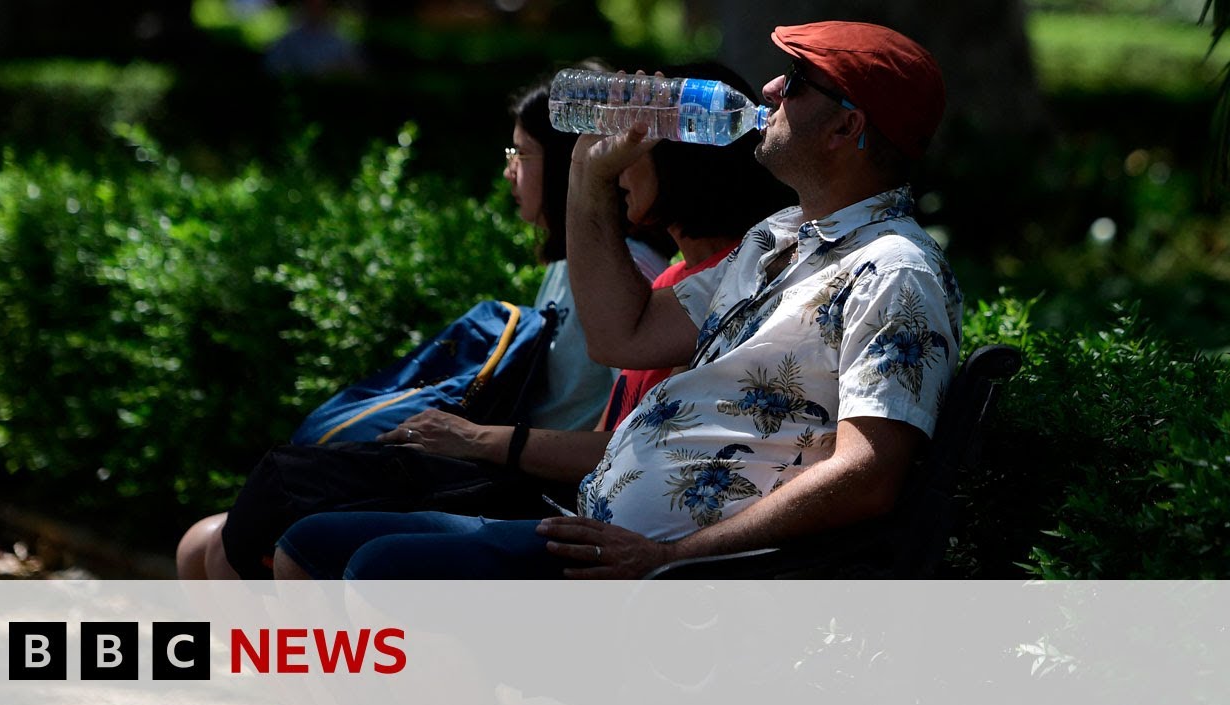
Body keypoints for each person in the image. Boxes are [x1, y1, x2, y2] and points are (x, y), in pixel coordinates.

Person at [275, 21, 961, 581]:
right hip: (607, 537)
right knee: (309, 546)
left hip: (685, 579)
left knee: (379, 571)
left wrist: (669, 558)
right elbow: (621, 336)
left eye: (800, 82)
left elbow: (870, 474)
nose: (773, 86)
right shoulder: (777, 238)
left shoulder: (895, 271)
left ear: (846, 130)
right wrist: (589, 170)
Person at [177, 62, 782, 579]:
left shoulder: (717, 284)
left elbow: (608, 376)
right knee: (277, 519)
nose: (617, 167)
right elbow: (615, 434)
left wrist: (476, 439)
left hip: (577, 510)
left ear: (681, 158)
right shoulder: (673, 281)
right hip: (563, 495)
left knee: (316, 533)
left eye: (523, 153)